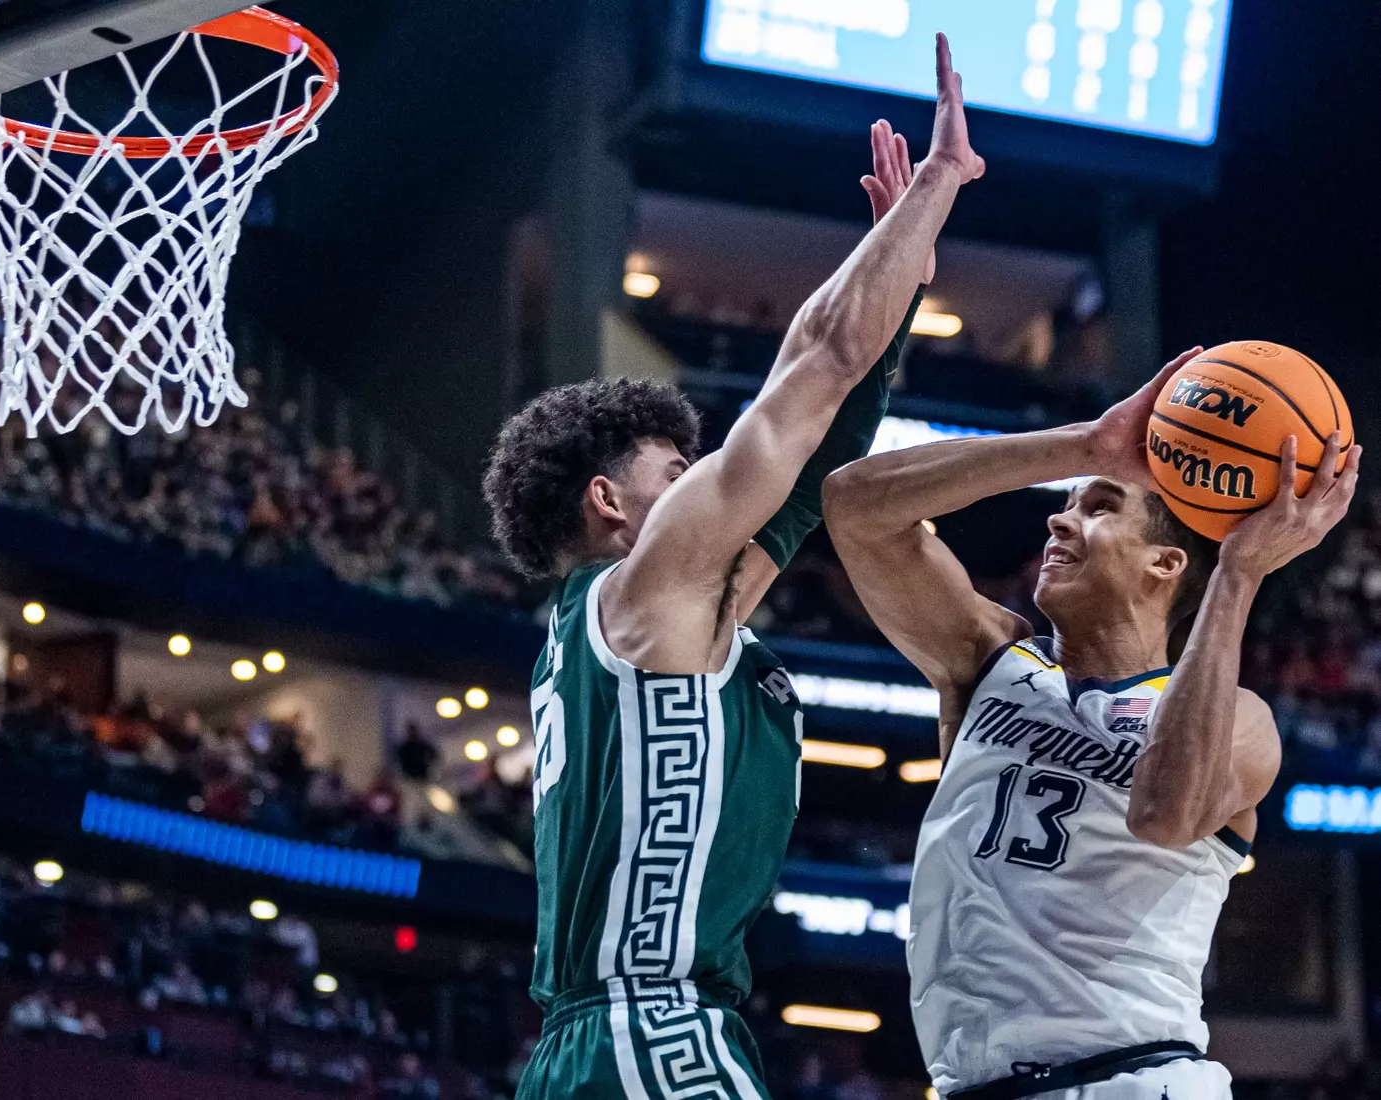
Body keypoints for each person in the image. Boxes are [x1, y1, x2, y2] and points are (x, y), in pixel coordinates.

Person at [482, 36, 981, 1100]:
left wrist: (897, 285)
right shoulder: (648, 587)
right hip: (651, 1029)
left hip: (592, 1047)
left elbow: (823, 468)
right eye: (680, 466)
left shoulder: (646, 624)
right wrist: (932, 191)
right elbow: (814, 366)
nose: (709, 477)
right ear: (610, 502)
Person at [820, 351, 1362, 1099]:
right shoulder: (990, 664)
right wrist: (1083, 446)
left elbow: (1166, 814)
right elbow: (853, 506)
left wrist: (1239, 573)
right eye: (1070, 503)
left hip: (1132, 1080)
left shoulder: (1239, 719)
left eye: (1099, 506)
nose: (1059, 517)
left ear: (1165, 565)